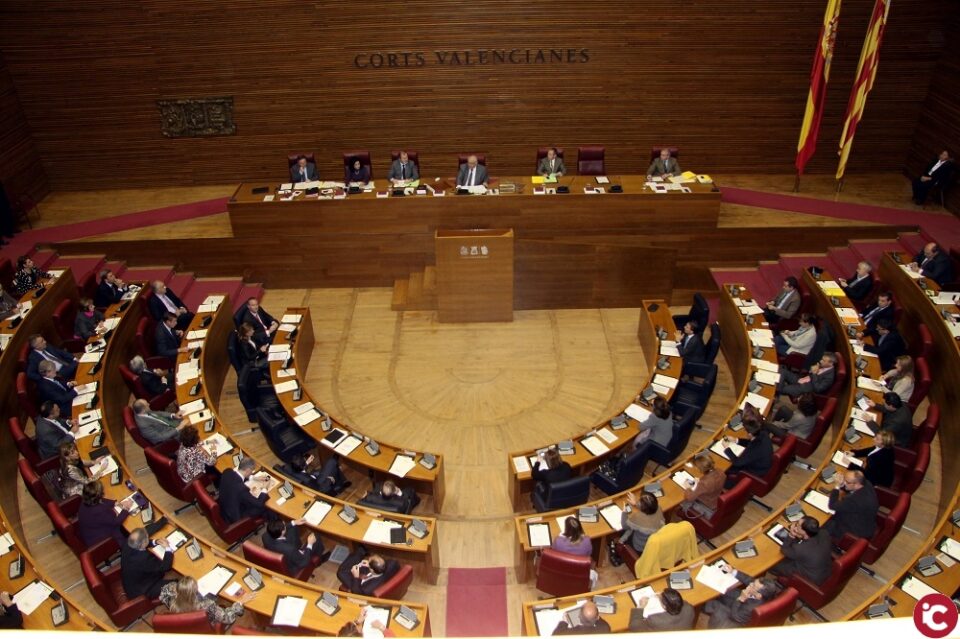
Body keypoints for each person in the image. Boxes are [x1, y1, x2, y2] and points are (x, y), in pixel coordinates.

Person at [701, 569, 782, 629]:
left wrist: (741, 599)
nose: (750, 584)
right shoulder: (763, 591)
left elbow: (735, 616)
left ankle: (701, 606)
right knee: (726, 590)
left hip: (735, 616)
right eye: (753, 582)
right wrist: (733, 571)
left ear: (758, 595)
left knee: (714, 605)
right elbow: (749, 580)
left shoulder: (751, 608)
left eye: (753, 586)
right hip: (742, 602)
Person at [160, 576, 252, 628]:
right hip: (206, 625)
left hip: (186, 625)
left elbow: (163, 592)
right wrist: (240, 603)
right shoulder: (207, 605)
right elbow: (227, 618)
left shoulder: (170, 597)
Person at [769, 516, 832, 584]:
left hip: (811, 577)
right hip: (824, 569)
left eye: (797, 525)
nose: (795, 525)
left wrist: (791, 535)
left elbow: (784, 550)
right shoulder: (824, 533)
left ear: (804, 531)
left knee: (773, 564)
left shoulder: (801, 549)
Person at [823, 470, 879, 541]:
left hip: (855, 531)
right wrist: (843, 484)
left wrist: (837, 486)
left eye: (847, 482)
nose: (844, 483)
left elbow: (832, 506)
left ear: (856, 484)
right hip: (867, 522)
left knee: (825, 524)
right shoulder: (867, 483)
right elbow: (851, 489)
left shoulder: (854, 500)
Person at [121, 527, 175, 599]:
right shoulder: (143, 558)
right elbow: (165, 567)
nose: (148, 537)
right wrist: (168, 549)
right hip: (141, 590)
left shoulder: (128, 544)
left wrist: (155, 542)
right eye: (147, 537)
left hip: (132, 581)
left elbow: (141, 542)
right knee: (176, 583)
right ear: (143, 543)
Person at [262, 519, 329, 576]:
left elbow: (280, 529)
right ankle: (319, 560)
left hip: (282, 552)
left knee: (293, 527)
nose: (286, 525)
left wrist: (293, 522)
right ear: (282, 531)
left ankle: (299, 547)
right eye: (284, 525)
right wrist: (309, 544)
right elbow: (303, 562)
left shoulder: (265, 536)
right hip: (294, 565)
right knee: (316, 536)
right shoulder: (289, 549)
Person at [77, 481, 134, 548]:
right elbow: (115, 522)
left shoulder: (86, 501)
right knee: (127, 533)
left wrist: (115, 503)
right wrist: (126, 509)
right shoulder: (98, 511)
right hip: (101, 541)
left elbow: (101, 500)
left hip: (90, 531)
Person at [722, 418, 773, 488]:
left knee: (725, 468)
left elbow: (737, 462)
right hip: (761, 465)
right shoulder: (763, 434)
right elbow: (750, 442)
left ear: (750, 434)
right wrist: (736, 440)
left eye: (745, 431)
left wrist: (727, 449)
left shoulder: (755, 449)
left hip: (754, 472)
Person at [218, 457, 270, 523]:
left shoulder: (227, 471)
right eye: (252, 471)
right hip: (235, 516)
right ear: (248, 470)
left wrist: (253, 477)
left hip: (224, 507)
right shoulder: (241, 489)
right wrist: (264, 488)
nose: (252, 472)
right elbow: (259, 503)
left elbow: (236, 477)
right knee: (264, 505)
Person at [280, 453, 349, 496]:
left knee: (333, 466)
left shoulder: (288, 467)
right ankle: (339, 488)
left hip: (311, 478)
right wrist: (329, 480)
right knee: (332, 462)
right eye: (304, 459)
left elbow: (297, 470)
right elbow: (319, 489)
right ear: (302, 466)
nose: (305, 459)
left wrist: (306, 463)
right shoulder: (308, 480)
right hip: (317, 483)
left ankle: (341, 479)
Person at [628, 588, 695, 632]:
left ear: (664, 606)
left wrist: (641, 607)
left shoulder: (655, 620)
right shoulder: (689, 608)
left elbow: (633, 626)